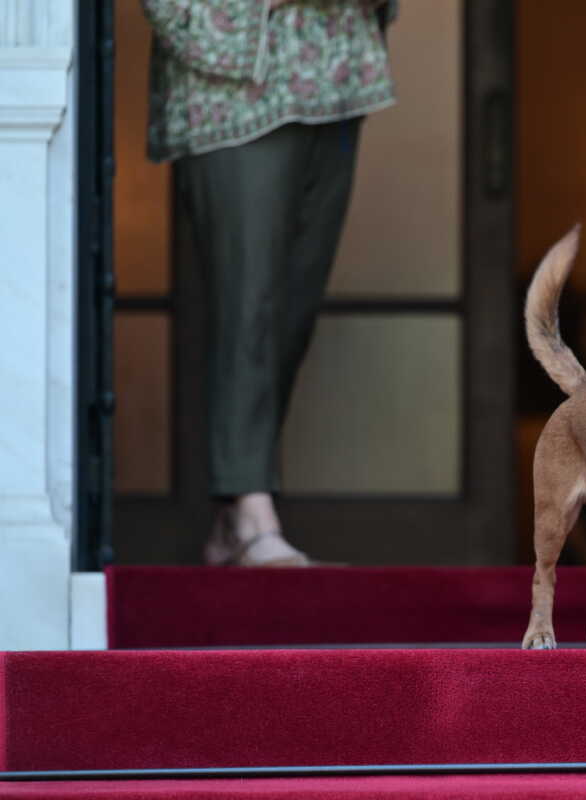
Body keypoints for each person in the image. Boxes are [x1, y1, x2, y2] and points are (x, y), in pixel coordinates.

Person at [142, 0, 396, 565]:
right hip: (232, 85)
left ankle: (235, 514)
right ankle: (252, 512)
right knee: (247, 303)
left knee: (293, 310)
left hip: (337, 78)